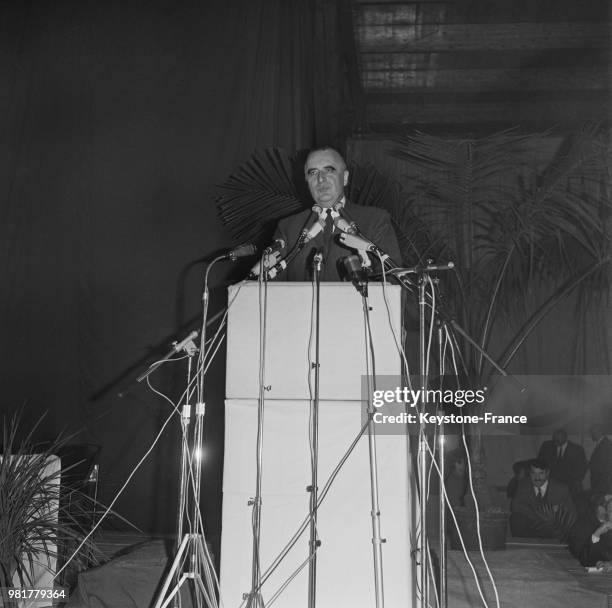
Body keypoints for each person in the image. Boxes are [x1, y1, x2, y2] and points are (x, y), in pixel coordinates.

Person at [271, 146, 402, 281]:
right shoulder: (288, 227)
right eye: (313, 172)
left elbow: (393, 283)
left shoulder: (374, 221)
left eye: (329, 170)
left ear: (344, 178)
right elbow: (269, 291)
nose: (321, 179)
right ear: (307, 181)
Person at [510, 458, 575, 538]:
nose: (537, 477)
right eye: (533, 473)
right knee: (516, 519)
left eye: (541, 473)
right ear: (529, 473)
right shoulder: (524, 485)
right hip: (530, 525)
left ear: (547, 473)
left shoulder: (561, 489)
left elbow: (571, 513)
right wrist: (540, 515)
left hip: (552, 528)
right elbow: (516, 506)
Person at [537, 429, 587, 497]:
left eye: (558, 439)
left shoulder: (577, 449)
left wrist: (575, 480)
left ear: (565, 438)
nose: (555, 442)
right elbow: (540, 463)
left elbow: (582, 468)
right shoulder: (546, 446)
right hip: (551, 482)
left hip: (570, 483)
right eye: (554, 439)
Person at [588, 423, 612, 498]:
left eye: (592, 432)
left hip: (602, 486)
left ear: (598, 432)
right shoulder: (601, 444)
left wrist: (601, 488)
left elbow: (608, 468)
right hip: (600, 485)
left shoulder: (606, 445)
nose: (591, 435)